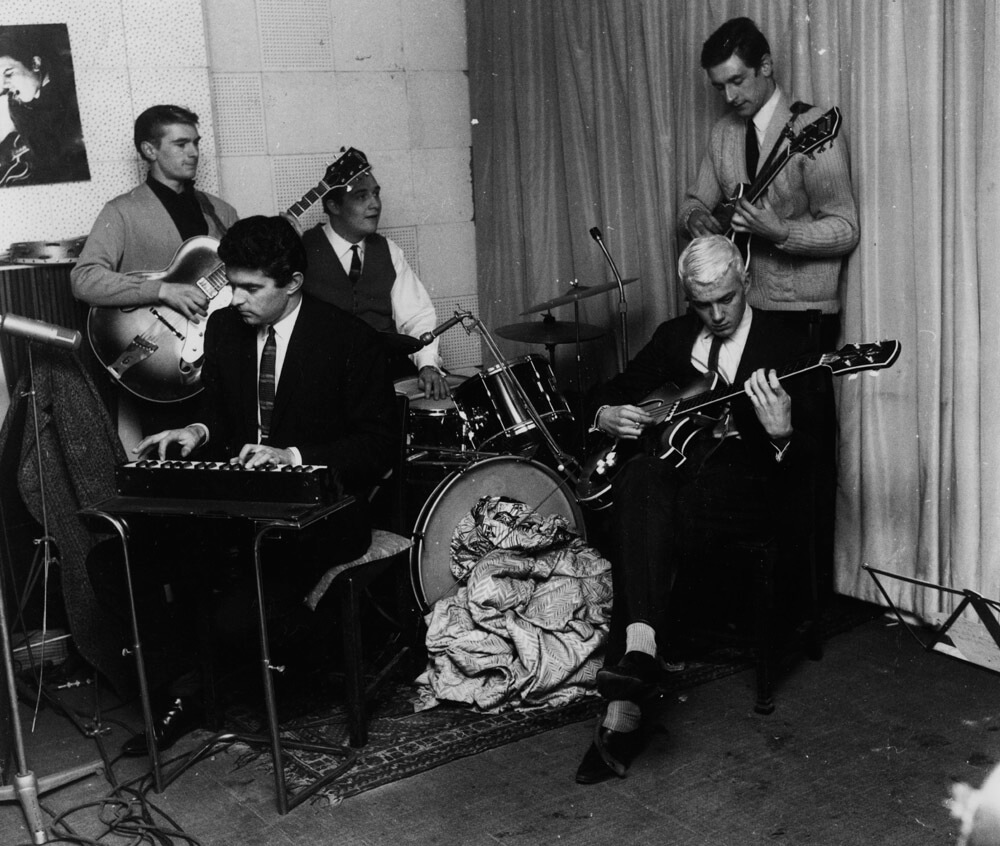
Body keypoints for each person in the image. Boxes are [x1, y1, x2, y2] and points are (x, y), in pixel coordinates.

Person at [90, 215, 397, 755]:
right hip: (237, 506)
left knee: (232, 613)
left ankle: (280, 657)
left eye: (252, 288)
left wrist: (293, 455)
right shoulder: (228, 326)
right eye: (233, 283)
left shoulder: (350, 340)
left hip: (319, 511)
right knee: (111, 560)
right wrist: (195, 428)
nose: (236, 298)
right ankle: (183, 691)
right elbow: (217, 408)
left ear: (293, 283)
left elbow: (377, 447)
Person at [574, 235, 822, 784]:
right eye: (702, 304)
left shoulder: (789, 348)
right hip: (676, 488)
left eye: (726, 300)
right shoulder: (674, 337)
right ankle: (640, 651)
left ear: (746, 283)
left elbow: (816, 451)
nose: (715, 315)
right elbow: (603, 391)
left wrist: (782, 434)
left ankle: (625, 707)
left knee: (641, 512)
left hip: (747, 494)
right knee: (640, 475)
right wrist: (607, 415)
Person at [678, 16, 858, 351]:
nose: (730, 97)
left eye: (737, 81)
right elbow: (693, 202)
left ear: (765, 65)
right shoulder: (723, 134)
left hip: (802, 314)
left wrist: (782, 232)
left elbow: (846, 228)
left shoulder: (812, 127)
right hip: (740, 311)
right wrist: (693, 219)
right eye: (720, 87)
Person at [70, 104, 239, 440]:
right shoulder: (121, 211)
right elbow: (83, 279)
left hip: (222, 358)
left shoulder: (221, 211)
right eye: (181, 144)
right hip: (161, 362)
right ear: (149, 150)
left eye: (196, 142)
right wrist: (162, 290)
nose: (193, 153)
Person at [299, 150, 449, 398]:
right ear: (333, 205)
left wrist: (428, 364)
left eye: (376, 194)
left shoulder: (388, 251)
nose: (375, 204)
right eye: (361, 196)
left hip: (384, 372)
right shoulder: (300, 251)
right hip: (324, 380)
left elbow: (417, 317)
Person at [0, 25, 90, 186]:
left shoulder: (76, 95)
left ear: (35, 63)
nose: (3, 87)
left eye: (9, 73)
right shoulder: (16, 106)